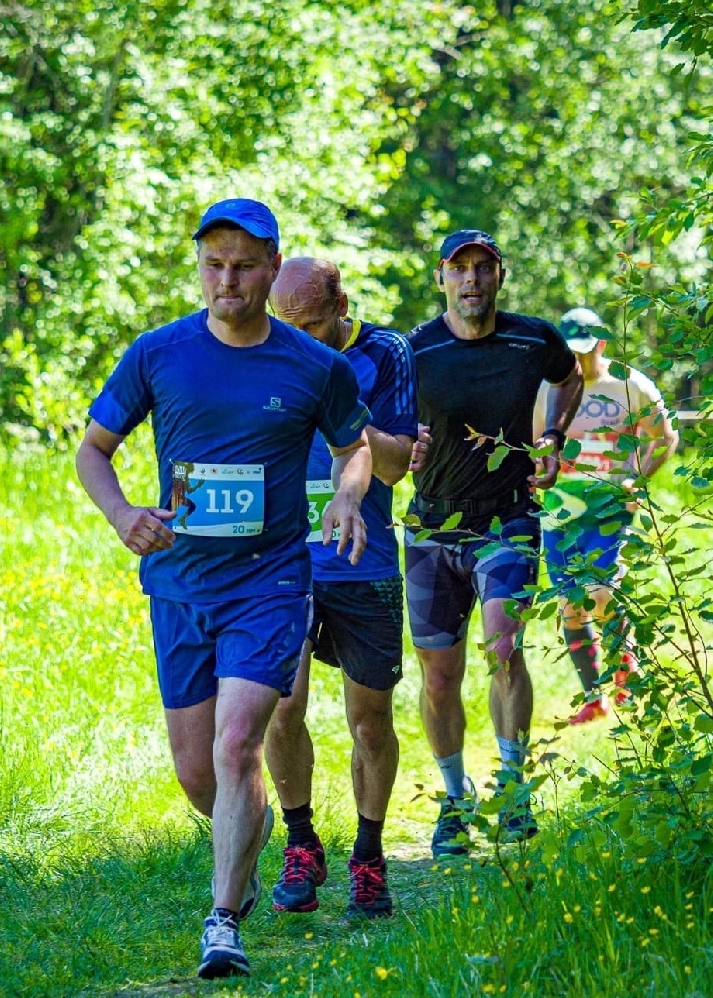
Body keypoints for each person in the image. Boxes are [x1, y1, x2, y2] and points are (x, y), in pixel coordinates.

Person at [75, 199, 373, 979]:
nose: (227, 280)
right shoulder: (159, 353)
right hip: (180, 584)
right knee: (197, 772)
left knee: (237, 743)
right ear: (200, 267)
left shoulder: (316, 366)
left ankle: (222, 921)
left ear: (274, 270)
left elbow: (355, 449)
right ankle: (260, 835)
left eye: (244, 265)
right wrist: (121, 514)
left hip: (269, 582)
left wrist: (346, 494)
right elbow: (93, 451)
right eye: (214, 264)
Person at [404, 229, 584, 858]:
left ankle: (514, 790)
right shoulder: (414, 350)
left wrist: (554, 436)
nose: (472, 281)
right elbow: (372, 419)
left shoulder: (533, 338)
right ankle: (455, 801)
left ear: (500, 277)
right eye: (460, 270)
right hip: (430, 525)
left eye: (484, 269)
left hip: (508, 517)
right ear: (442, 279)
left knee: (504, 645)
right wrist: (404, 446)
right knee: (438, 674)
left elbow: (570, 378)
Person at [264, 258, 417, 919]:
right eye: (286, 323)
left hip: (366, 561)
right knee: (280, 704)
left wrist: (338, 410)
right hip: (283, 560)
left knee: (370, 723)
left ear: (343, 305)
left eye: (313, 324)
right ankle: (301, 844)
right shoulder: (261, 348)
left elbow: (397, 463)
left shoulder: (386, 353)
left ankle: (369, 855)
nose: (299, 336)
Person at [534, 307, 678, 723]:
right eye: (572, 351)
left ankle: (625, 677)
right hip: (561, 508)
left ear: (602, 343)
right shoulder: (549, 387)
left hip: (611, 505)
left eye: (587, 349)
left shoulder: (629, 384)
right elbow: (536, 444)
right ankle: (593, 697)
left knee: (601, 592)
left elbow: (665, 436)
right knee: (568, 603)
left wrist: (637, 479)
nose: (580, 360)